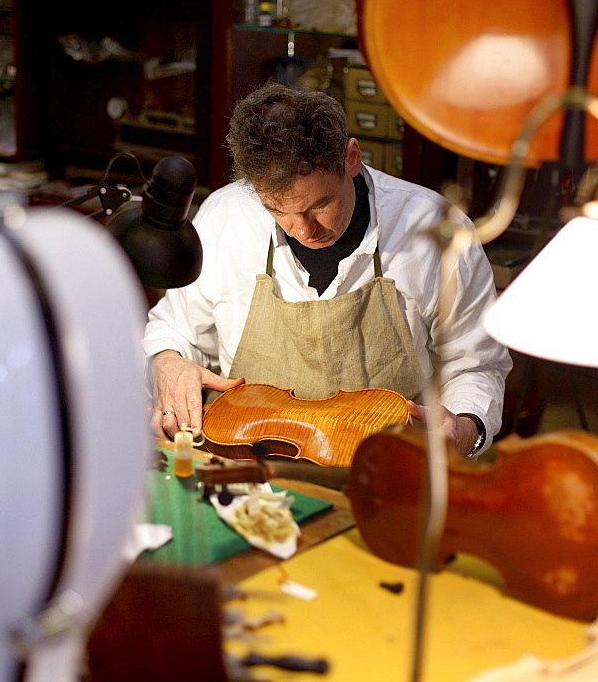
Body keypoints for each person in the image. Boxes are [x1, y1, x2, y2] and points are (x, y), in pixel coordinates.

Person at [143, 83, 512, 456]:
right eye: (278, 210)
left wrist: (465, 428)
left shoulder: (435, 232)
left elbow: (477, 365)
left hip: (388, 469)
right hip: (248, 475)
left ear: (351, 158)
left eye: (319, 205)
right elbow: (174, 330)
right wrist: (168, 362)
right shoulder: (224, 219)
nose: (303, 230)